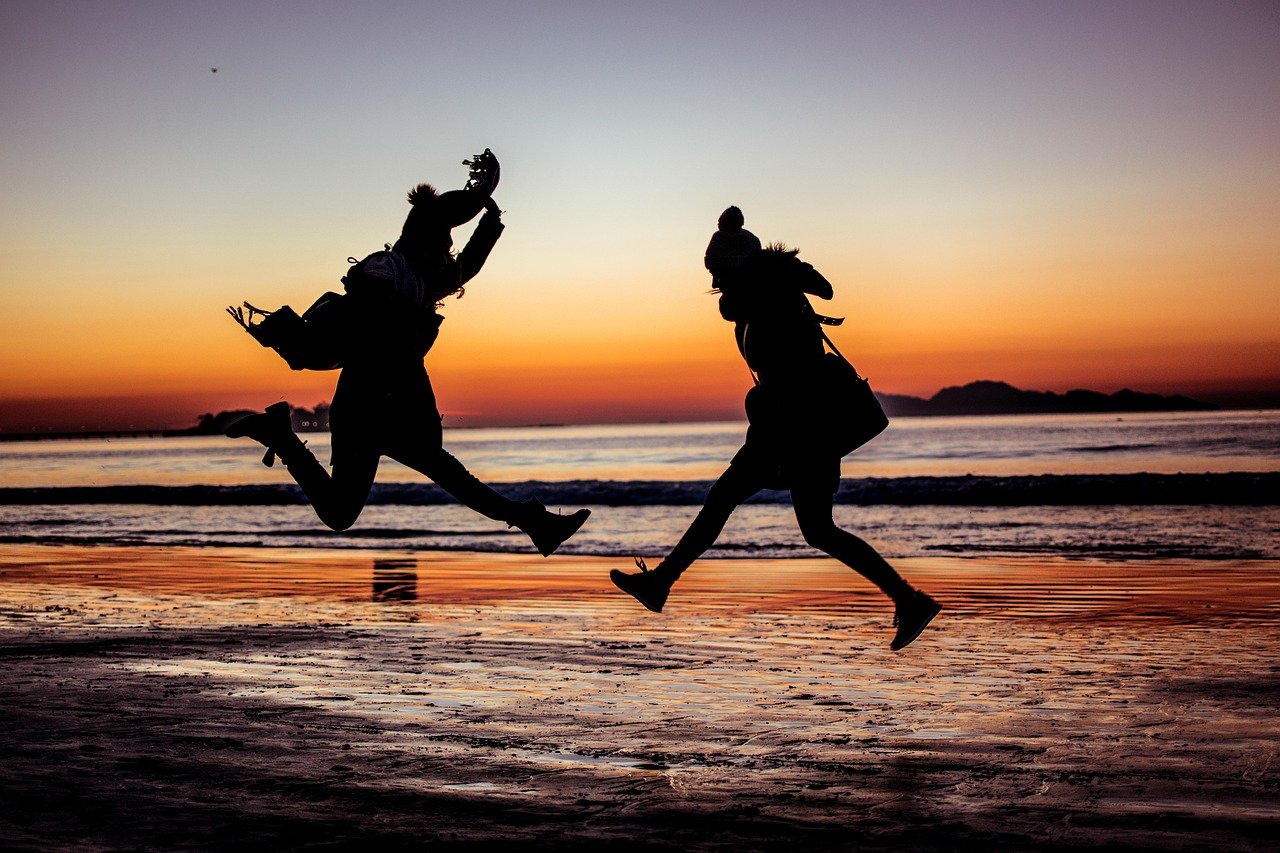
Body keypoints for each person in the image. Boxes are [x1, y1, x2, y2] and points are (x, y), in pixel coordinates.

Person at [225, 150, 590, 557]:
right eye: (443, 242)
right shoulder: (389, 271)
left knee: (369, 501)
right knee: (405, 487)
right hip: (368, 406)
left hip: (387, 404)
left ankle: (537, 523)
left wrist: (491, 220)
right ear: (426, 242)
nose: (449, 250)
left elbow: (466, 267)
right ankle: (537, 523)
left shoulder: (419, 282)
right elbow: (363, 299)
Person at [610, 207, 940, 651]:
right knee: (812, 528)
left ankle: (662, 584)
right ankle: (908, 598)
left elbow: (798, 361)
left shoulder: (772, 299)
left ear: (737, 266)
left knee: (739, 502)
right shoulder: (760, 299)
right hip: (789, 426)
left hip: (802, 428)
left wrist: (787, 444)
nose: (716, 285)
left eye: (720, 273)